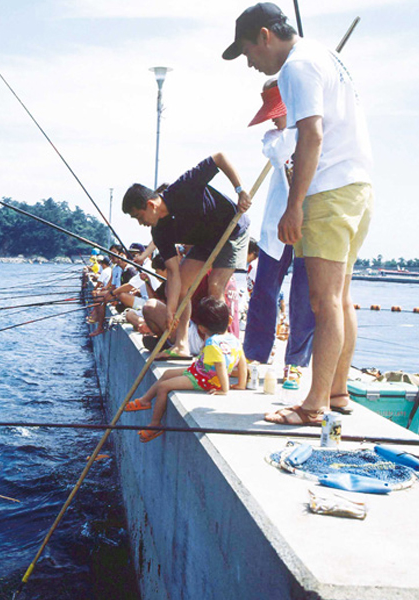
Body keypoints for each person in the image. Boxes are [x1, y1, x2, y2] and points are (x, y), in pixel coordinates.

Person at [223, 2, 373, 425]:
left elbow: (312, 134)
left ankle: (313, 406)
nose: (250, 63)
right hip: (359, 185)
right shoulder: (327, 55)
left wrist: (294, 206)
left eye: (248, 51)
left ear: (265, 36)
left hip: (328, 192)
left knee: (323, 302)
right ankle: (337, 393)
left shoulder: (296, 66)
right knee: (340, 299)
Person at [122, 153, 252, 359]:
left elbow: (219, 158)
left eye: (139, 216)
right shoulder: (159, 232)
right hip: (205, 241)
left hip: (231, 229)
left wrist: (240, 190)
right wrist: (171, 311)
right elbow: (173, 272)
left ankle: (219, 348)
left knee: (215, 287)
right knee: (183, 285)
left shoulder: (184, 187)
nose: (141, 223)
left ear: (151, 205)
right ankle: (181, 345)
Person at [241, 78, 315, 390]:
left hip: (308, 225)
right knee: (264, 293)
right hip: (276, 227)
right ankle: (254, 356)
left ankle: (296, 364)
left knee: (303, 296)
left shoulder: (313, 133)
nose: (272, 117)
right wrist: (291, 124)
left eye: (277, 111)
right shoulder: (274, 137)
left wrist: (300, 120)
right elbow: (281, 148)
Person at [124, 296, 247, 443]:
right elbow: (242, 363)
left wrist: (224, 389)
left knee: (164, 387)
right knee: (167, 373)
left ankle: (155, 424)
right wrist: (241, 384)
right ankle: (145, 400)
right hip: (202, 371)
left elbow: (220, 365)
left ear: (201, 327)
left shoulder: (212, 343)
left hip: (204, 379)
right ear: (230, 320)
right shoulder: (234, 340)